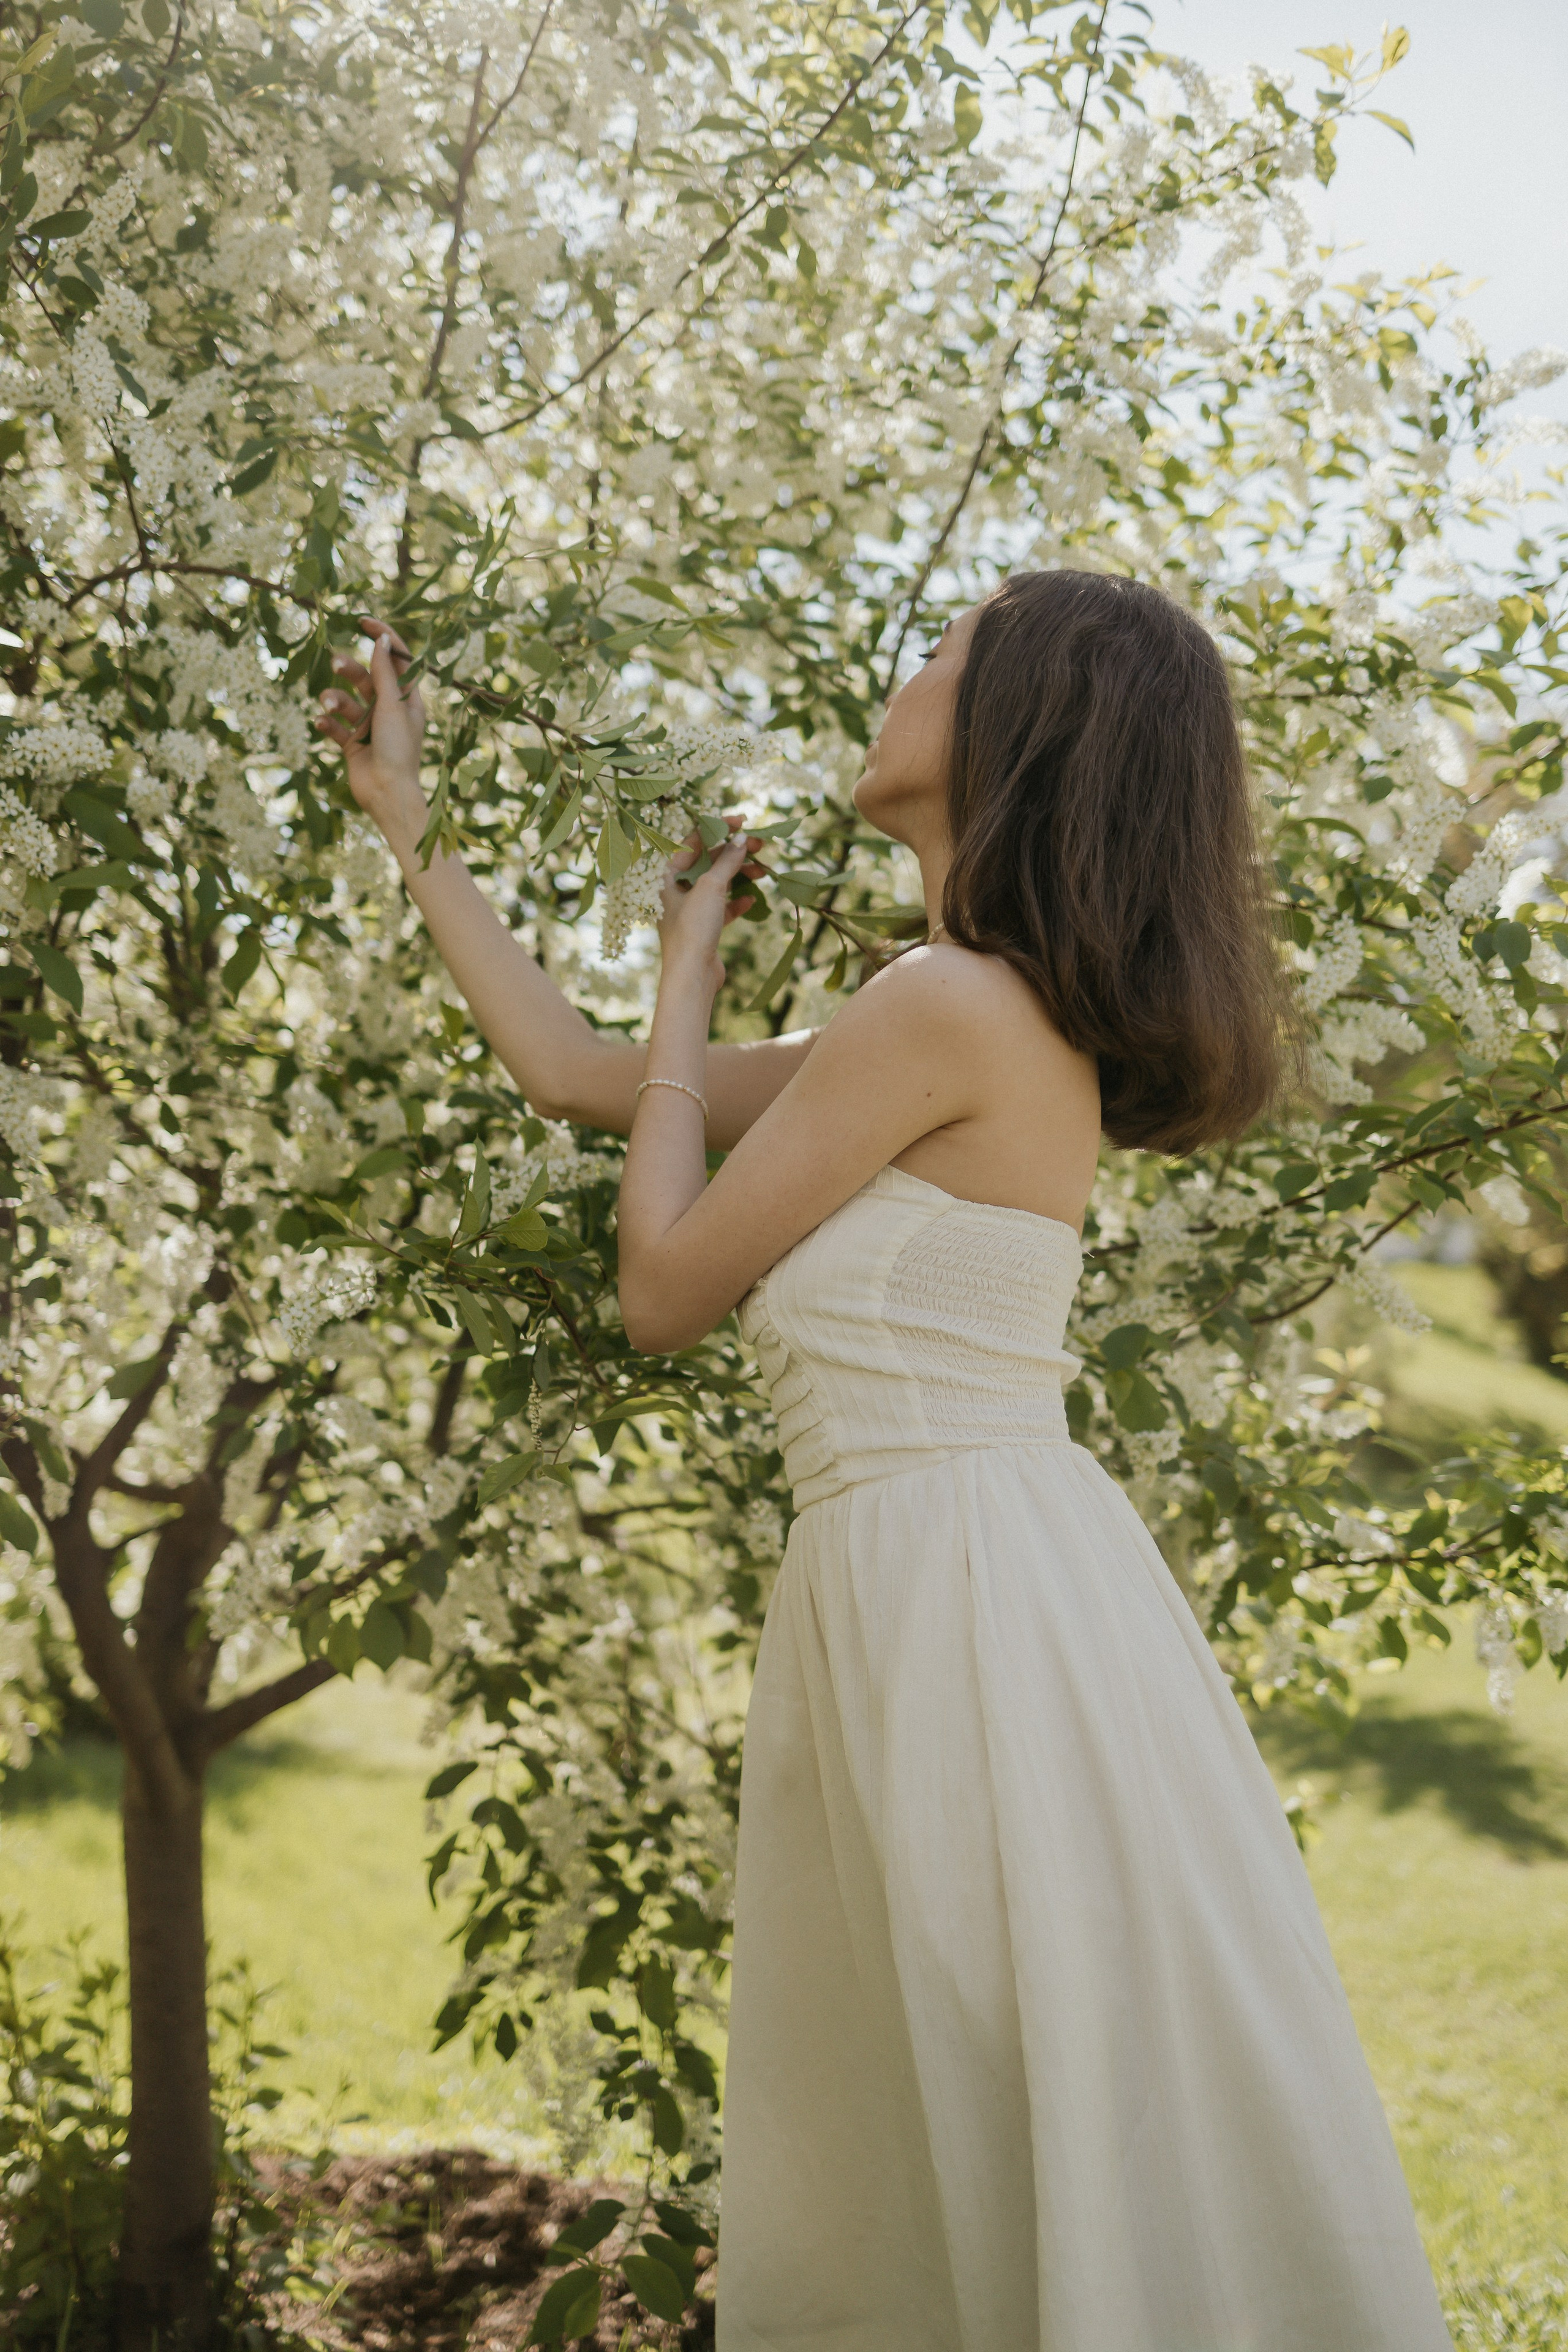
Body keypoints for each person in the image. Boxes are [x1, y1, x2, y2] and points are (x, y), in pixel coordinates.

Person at [320, 570, 1455, 2352]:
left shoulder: (945, 1005)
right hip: (953, 1583)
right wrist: (415, 818)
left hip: (971, 1606)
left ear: (1019, 729)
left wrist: (690, 999)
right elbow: (576, 1073)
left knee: (986, 2109)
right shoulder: (948, 1009)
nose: (906, 669)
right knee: (965, 2129)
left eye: (942, 653)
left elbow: (664, 1282)